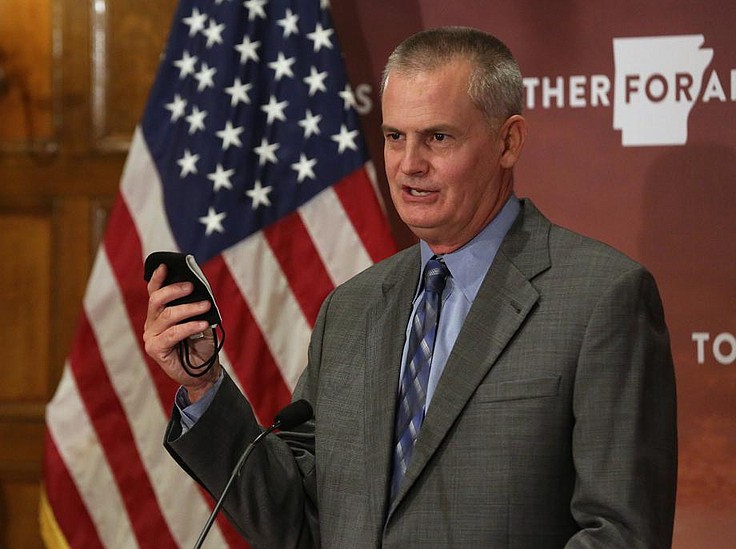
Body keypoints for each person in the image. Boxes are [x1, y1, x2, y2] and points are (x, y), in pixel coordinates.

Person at [144, 27, 677, 547]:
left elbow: (621, 532)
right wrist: (205, 385)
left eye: (438, 137)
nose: (408, 166)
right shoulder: (351, 308)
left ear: (508, 141)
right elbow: (298, 519)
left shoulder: (600, 299)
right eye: (395, 137)